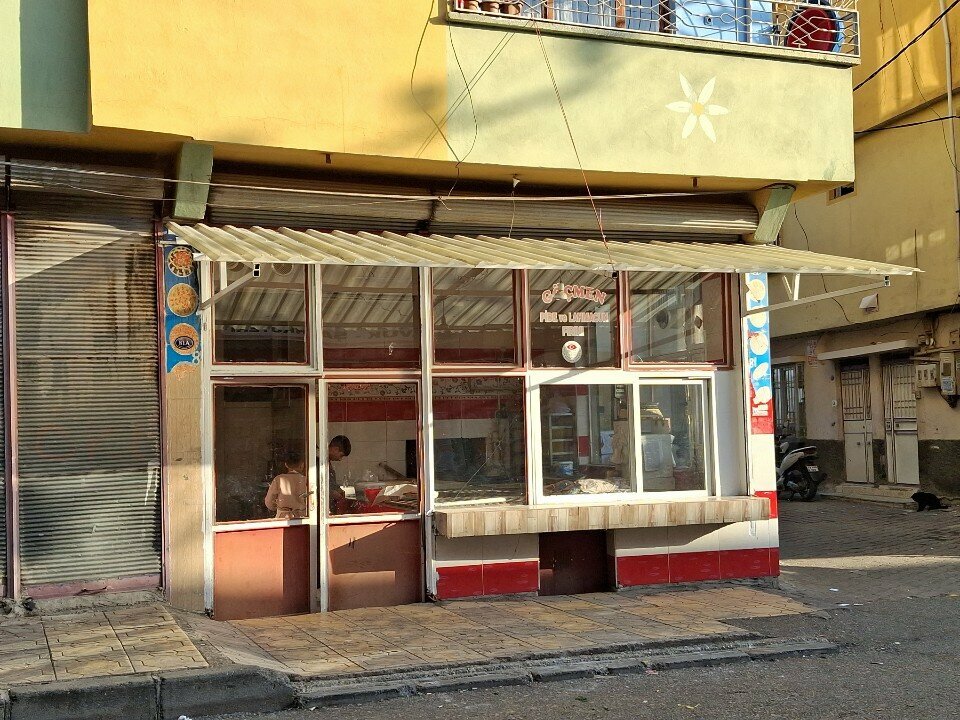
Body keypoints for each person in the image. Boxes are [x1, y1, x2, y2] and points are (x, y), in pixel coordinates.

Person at [264, 450, 308, 519]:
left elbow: (269, 502)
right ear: (302, 465)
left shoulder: (279, 479)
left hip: (283, 518)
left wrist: (276, 507)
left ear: (286, 465)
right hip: (302, 518)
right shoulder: (306, 480)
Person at [327, 435, 352, 514]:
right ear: (335, 449)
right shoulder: (318, 461)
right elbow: (321, 487)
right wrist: (339, 497)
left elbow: (331, 483)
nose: (340, 459)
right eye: (341, 455)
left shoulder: (327, 462)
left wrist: (340, 491)